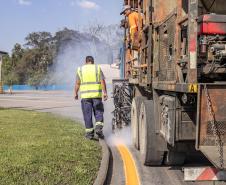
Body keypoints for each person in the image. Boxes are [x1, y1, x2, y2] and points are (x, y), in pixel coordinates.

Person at [74, 56, 108, 140]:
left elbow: (77, 83)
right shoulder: (97, 68)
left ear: (85, 61)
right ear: (93, 61)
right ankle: (99, 128)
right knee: (99, 112)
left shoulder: (80, 69)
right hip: (96, 96)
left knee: (87, 115)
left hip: (85, 97)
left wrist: (75, 93)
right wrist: (105, 93)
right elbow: (102, 81)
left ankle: (89, 134)